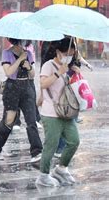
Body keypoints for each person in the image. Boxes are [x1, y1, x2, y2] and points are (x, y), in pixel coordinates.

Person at [35, 38, 80, 187]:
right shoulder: (49, 65)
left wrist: (75, 75)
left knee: (74, 141)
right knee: (51, 145)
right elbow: (43, 84)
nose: (69, 56)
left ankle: (61, 169)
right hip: (51, 112)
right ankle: (43, 175)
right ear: (58, 52)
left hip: (66, 112)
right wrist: (58, 73)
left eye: (72, 54)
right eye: (67, 53)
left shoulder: (67, 67)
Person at [0, 38, 42, 162]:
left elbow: (32, 74)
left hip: (27, 88)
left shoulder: (28, 54)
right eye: (20, 43)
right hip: (12, 89)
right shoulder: (6, 53)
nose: (22, 45)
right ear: (15, 42)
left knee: (31, 121)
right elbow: (8, 72)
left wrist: (28, 66)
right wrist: (19, 60)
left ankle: (36, 152)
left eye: (24, 43)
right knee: (9, 120)